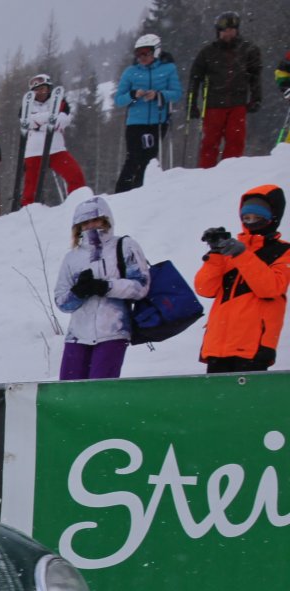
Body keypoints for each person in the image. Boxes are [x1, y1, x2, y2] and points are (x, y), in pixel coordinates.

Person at [51, 196, 151, 381]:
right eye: (85, 222)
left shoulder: (125, 246)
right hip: (77, 337)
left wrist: (106, 286)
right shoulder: (72, 257)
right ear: (78, 227)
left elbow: (141, 286)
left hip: (113, 332)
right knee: (68, 392)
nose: (90, 226)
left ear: (106, 219)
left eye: (95, 220)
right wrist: (78, 292)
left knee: (100, 390)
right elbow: (61, 302)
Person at [194, 185, 288, 374]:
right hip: (218, 345)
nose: (251, 222)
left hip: (253, 346)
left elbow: (270, 288)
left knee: (248, 393)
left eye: (257, 218)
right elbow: (205, 288)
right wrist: (215, 254)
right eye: (246, 218)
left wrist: (242, 255)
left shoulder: (283, 251)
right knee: (217, 393)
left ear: (272, 218)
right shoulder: (232, 248)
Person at [188, 12, 264, 169]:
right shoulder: (207, 52)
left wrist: (256, 98)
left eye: (231, 30)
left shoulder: (249, 50)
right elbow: (195, 79)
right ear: (218, 32)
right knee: (209, 144)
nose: (228, 34)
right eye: (224, 31)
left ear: (237, 30)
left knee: (235, 142)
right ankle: (205, 174)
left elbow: (255, 77)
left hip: (238, 104)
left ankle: (230, 172)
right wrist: (191, 104)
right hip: (213, 106)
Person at [114, 35, 183, 192]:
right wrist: (133, 94)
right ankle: (121, 192)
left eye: (146, 53)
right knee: (133, 158)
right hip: (135, 122)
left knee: (148, 159)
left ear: (156, 51)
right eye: (138, 54)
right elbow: (118, 100)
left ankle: (141, 191)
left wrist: (159, 95)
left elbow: (176, 93)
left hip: (157, 122)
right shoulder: (130, 72)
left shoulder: (168, 69)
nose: (142, 57)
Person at [20, 74, 87, 207]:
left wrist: (40, 123)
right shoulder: (27, 104)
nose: (40, 92)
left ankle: (77, 203)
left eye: (42, 89)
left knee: (75, 175)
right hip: (34, 150)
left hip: (56, 148)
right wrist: (49, 118)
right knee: (31, 187)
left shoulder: (59, 101)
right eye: (36, 90)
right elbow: (26, 123)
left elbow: (63, 120)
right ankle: (28, 210)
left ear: (48, 88)